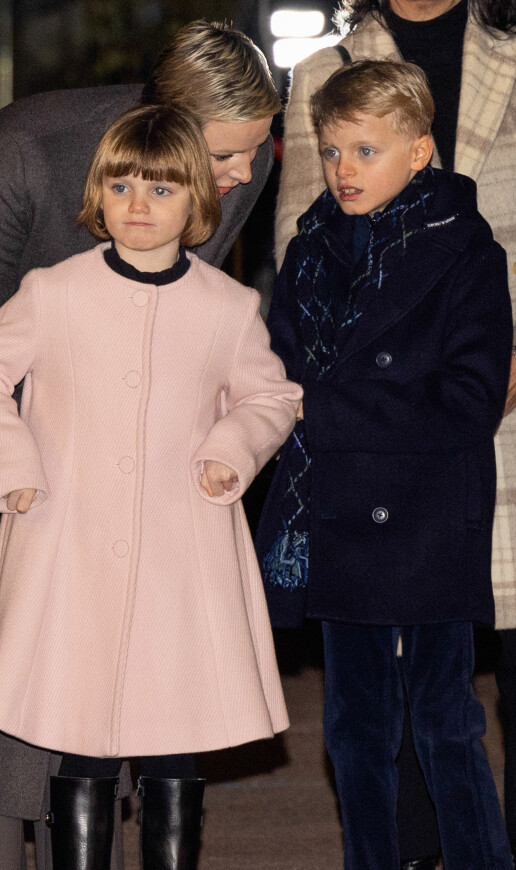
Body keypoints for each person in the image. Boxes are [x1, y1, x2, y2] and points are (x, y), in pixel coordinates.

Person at [0, 20, 282, 870]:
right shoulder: (18, 155)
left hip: (99, 443)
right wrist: (16, 494)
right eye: (229, 156)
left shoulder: (240, 156)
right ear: (170, 125)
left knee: (109, 681)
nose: (246, 176)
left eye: (254, 154)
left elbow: (188, 318)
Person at [274, 1, 516, 866]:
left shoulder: (466, 252)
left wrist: (330, 410)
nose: (342, 169)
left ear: (420, 154)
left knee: (446, 723)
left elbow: (469, 400)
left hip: (430, 517)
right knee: (354, 732)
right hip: (342, 512)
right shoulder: (309, 252)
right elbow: (282, 366)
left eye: (365, 152)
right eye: (332, 151)